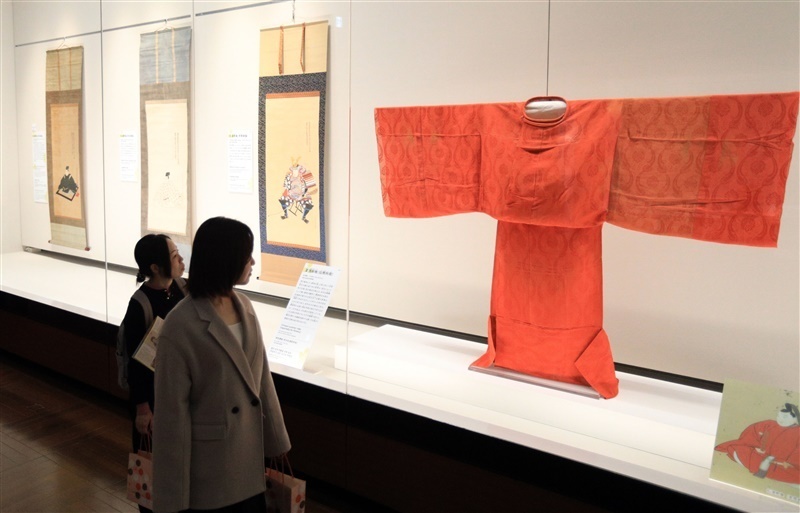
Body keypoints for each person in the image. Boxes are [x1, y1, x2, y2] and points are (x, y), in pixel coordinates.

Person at [152, 217, 291, 513]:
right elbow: (171, 417)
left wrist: (277, 441)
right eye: (246, 255)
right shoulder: (180, 325)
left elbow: (261, 380)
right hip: (211, 469)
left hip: (249, 461)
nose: (252, 262)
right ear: (226, 259)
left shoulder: (245, 307)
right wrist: (172, 499)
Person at [122, 234, 187, 513]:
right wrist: (142, 408)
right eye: (174, 256)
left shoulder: (182, 289)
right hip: (152, 397)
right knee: (150, 461)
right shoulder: (140, 304)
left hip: (178, 391)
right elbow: (136, 363)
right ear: (156, 267)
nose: (181, 260)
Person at [715, 402, 800, 484]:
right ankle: (762, 468)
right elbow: (753, 433)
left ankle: (762, 468)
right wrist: (758, 448)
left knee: (794, 473)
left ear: (796, 418)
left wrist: (786, 462)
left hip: (783, 464)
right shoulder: (769, 424)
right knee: (739, 449)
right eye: (778, 416)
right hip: (763, 456)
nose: (780, 419)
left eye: (784, 417)